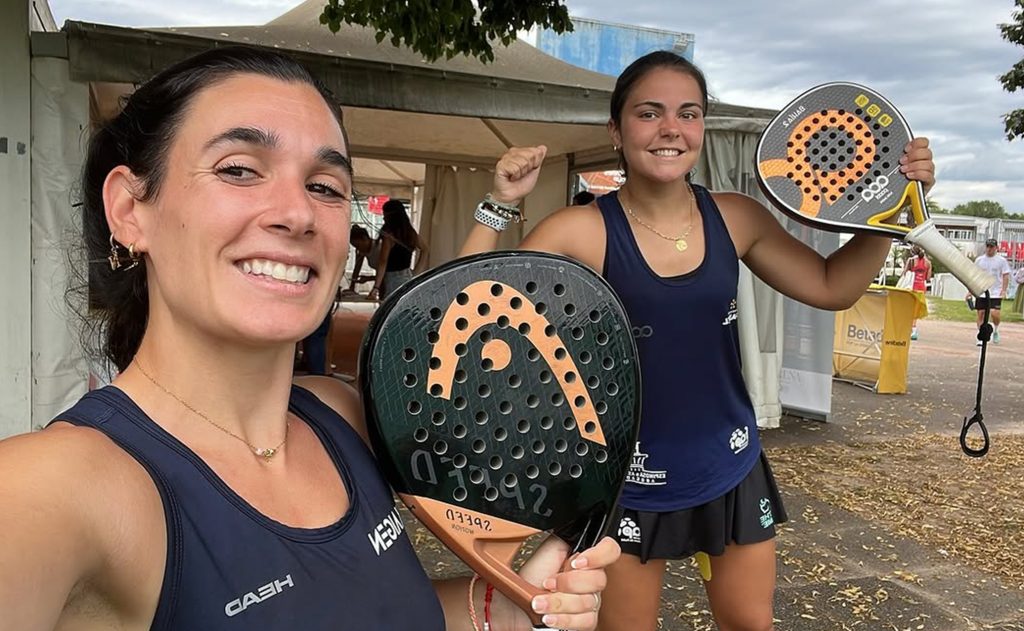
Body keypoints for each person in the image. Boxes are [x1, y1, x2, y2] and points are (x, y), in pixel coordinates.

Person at [0, 46, 618, 631]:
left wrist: (497, 609)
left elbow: (358, 607)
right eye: (239, 169)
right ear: (131, 211)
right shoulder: (55, 488)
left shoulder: (342, 412)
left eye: (324, 186)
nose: (297, 213)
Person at [461, 50, 936, 631]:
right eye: (649, 113)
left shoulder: (736, 217)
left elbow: (833, 285)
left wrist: (890, 210)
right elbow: (466, 309)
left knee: (749, 624)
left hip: (729, 464)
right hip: (625, 482)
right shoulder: (579, 230)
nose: (671, 129)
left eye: (688, 114)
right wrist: (499, 205)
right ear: (616, 129)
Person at [368, 199, 427, 300]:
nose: (383, 218)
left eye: (384, 214)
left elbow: (383, 261)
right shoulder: (410, 232)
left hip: (392, 279)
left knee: (390, 310)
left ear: (390, 216)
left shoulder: (389, 235)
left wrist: (376, 287)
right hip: (408, 276)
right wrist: (415, 273)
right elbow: (425, 250)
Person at [969, 238, 1011, 345]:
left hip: (995, 291)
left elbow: (1005, 275)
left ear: (996, 248)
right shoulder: (979, 260)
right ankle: (981, 335)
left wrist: (1004, 290)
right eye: (987, 246)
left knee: (994, 313)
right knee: (981, 314)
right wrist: (970, 291)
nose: (989, 249)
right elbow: (974, 275)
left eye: (991, 247)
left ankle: (996, 329)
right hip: (982, 291)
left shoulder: (1001, 261)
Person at [903, 245, 932, 340]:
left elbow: (904, 273)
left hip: (910, 287)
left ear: (912, 252)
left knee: (907, 308)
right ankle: (914, 330)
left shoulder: (911, 261)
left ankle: (905, 328)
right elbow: (927, 278)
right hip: (921, 288)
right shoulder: (928, 263)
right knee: (915, 310)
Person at [346, 223, 381, 293]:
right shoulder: (362, 251)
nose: (358, 249)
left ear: (365, 239)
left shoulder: (379, 248)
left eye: (358, 245)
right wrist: (352, 286)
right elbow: (357, 267)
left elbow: (386, 274)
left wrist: (369, 278)